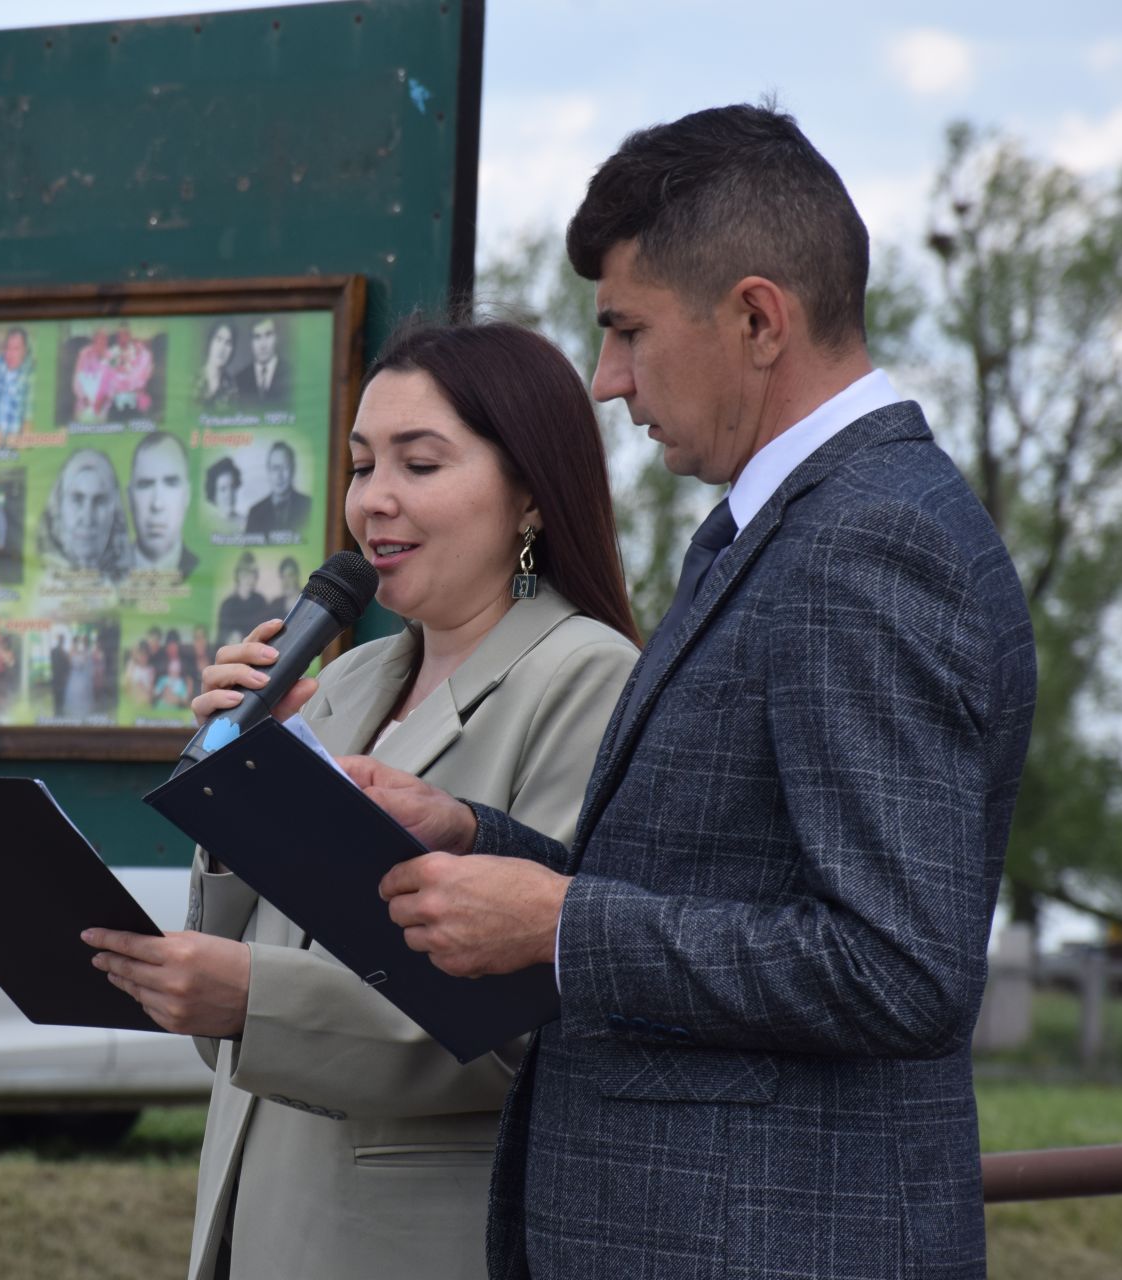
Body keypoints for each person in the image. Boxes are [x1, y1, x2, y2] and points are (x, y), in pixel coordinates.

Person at [355, 105, 1037, 1280]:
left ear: (758, 318)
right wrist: (475, 835)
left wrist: (559, 924)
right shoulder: (792, 527)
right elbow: (717, 878)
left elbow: (900, 967)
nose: (610, 381)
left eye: (627, 330)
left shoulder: (863, 544)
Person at [83, 318, 643, 1280]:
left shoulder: (587, 675)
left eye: (418, 464)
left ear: (530, 500)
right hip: (253, 1219)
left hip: (408, 1240)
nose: (371, 503)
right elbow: (259, 946)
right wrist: (237, 784)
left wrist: (249, 998)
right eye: (358, 466)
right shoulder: (349, 680)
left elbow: (529, 1024)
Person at [37, 447, 129, 581]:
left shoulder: (130, 587)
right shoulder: (37, 590)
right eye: (77, 499)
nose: (87, 518)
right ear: (58, 507)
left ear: (114, 513)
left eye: (100, 501)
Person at [128, 432, 198, 581]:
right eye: (145, 485)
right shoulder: (105, 573)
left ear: (187, 495)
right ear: (130, 497)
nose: (157, 504)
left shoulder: (199, 568)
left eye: (171, 483)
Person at [242, 440, 310, 537]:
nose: (279, 475)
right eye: (275, 468)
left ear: (293, 469)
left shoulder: (308, 505)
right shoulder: (255, 513)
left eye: (285, 467)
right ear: (268, 472)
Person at [0, 327, 34, 449]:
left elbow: (28, 421)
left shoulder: (30, 375)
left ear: (24, 350)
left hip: (14, 444)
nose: (10, 354)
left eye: (16, 349)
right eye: (7, 348)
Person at [213, 550, 268, 648]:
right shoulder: (227, 605)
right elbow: (219, 640)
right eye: (245, 573)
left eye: (252, 574)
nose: (249, 578)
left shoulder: (261, 602)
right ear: (238, 575)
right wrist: (229, 637)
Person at [239, 316, 288, 406]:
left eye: (268, 335)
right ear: (251, 343)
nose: (263, 345)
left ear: (277, 338)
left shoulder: (291, 373)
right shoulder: (239, 379)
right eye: (257, 337)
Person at [193, 320, 240, 408]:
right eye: (218, 339)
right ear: (209, 342)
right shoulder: (192, 379)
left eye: (228, 343)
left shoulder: (232, 386)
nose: (222, 348)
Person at [204, 456, 246, 535]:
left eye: (232, 487)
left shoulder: (246, 523)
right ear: (214, 495)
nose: (229, 494)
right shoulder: (207, 527)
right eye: (223, 489)